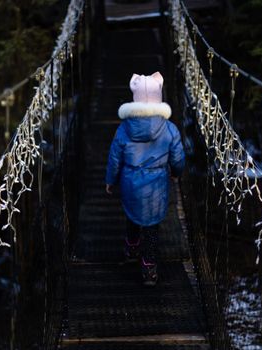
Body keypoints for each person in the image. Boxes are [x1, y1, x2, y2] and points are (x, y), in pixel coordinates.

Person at [105, 71, 185, 286]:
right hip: (157, 184)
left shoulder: (124, 129)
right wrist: (176, 172)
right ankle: (149, 268)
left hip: (130, 181)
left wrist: (110, 179)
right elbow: (178, 157)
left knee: (132, 216)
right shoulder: (170, 129)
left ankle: (131, 248)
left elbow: (115, 157)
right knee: (151, 226)